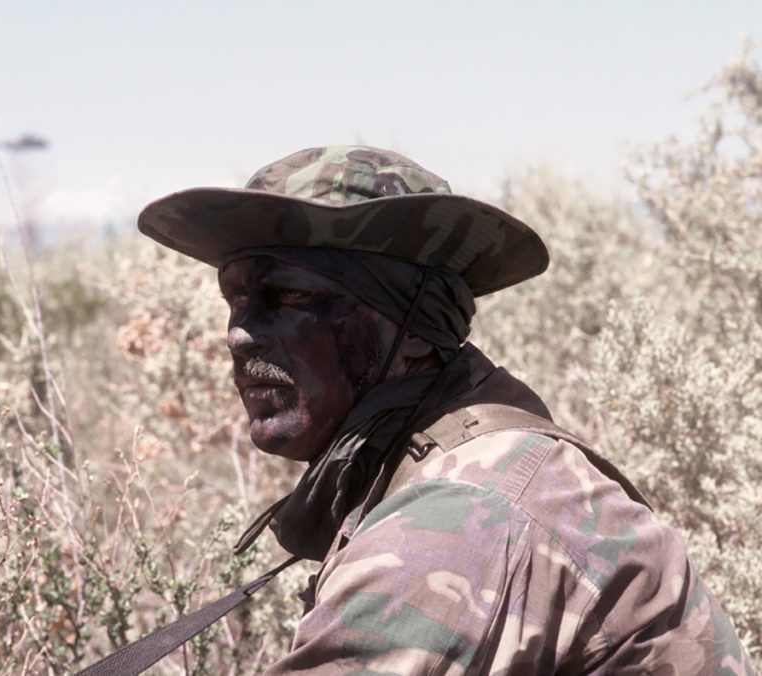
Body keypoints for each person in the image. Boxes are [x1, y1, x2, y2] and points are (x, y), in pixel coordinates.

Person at [137, 146, 756, 674]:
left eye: (288, 296)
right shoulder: (436, 455)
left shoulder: (466, 511)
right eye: (236, 301)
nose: (239, 335)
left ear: (411, 329)